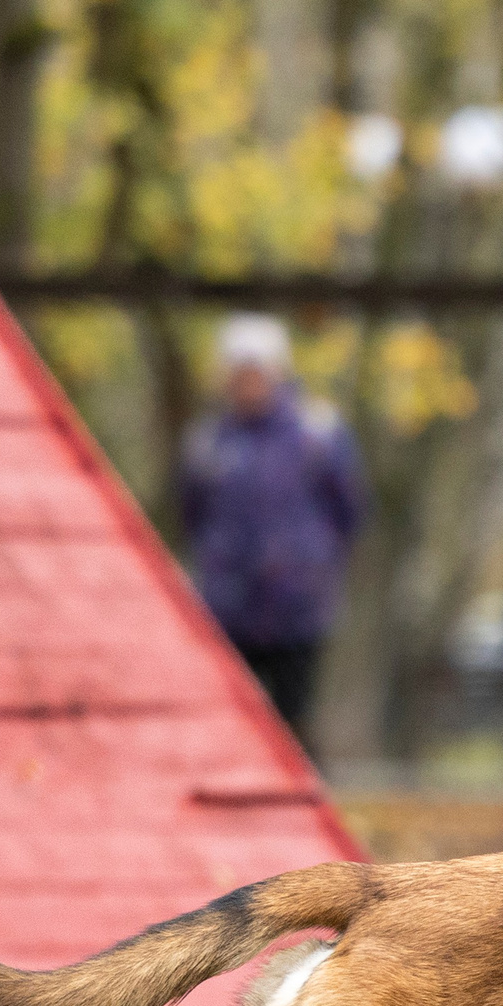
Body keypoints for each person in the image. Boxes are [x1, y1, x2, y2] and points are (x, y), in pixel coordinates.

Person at [179, 313, 367, 745]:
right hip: (228, 609)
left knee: (294, 721)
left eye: (257, 372)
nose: (248, 384)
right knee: (230, 723)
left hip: (297, 608)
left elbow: (349, 511)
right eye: (238, 374)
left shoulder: (318, 434)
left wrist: (311, 565)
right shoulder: (209, 443)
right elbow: (193, 514)